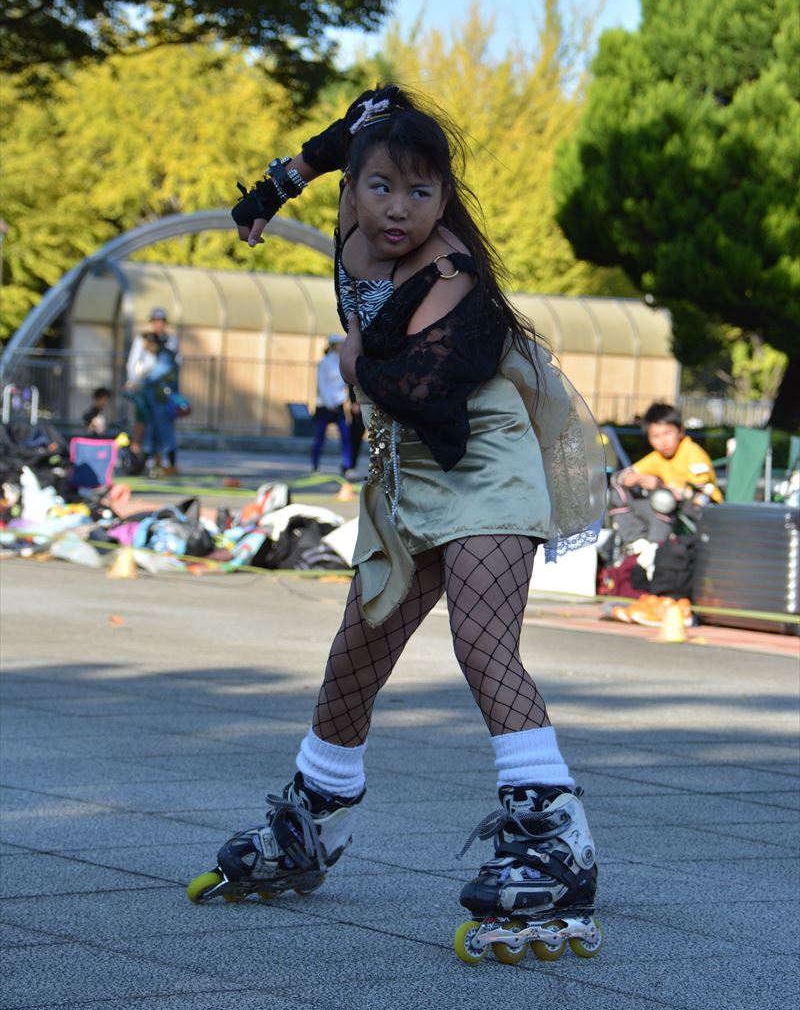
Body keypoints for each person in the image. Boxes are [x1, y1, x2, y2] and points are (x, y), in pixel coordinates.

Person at [189, 86, 606, 961]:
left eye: (422, 193)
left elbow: (426, 388)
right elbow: (351, 126)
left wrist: (352, 362)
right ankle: (317, 814)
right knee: (359, 647)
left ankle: (554, 835)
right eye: (380, 186)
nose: (398, 209)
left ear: (444, 201)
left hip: (484, 458)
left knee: (482, 642)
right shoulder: (352, 208)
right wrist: (275, 188)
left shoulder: (449, 272)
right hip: (407, 466)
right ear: (354, 186)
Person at [608, 402, 722, 550]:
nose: (663, 441)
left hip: (706, 512)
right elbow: (618, 476)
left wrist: (660, 486)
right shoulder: (657, 457)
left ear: (680, 431)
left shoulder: (693, 453)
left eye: (667, 433)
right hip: (671, 511)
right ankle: (637, 546)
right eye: (655, 436)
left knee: (663, 498)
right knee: (618, 493)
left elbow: (703, 497)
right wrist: (626, 479)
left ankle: (655, 549)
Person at [125, 307, 181, 464]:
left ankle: (162, 460)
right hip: (147, 392)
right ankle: (143, 459)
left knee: (162, 426)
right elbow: (134, 363)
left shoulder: (166, 352)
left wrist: (141, 381)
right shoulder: (147, 344)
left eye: (161, 321)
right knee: (144, 424)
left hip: (161, 395)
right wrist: (133, 381)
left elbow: (162, 372)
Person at [310, 335, 354, 475]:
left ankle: (347, 466)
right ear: (334, 346)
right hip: (325, 406)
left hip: (338, 405)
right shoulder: (324, 363)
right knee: (320, 437)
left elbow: (344, 382)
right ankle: (315, 466)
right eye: (340, 344)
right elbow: (322, 385)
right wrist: (330, 403)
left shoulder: (341, 362)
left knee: (346, 436)